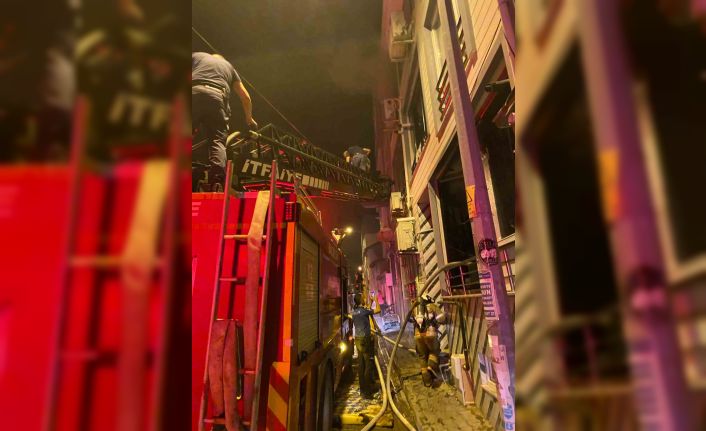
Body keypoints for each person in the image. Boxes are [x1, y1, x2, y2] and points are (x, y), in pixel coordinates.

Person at [192, 52, 257, 191]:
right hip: (217, 97)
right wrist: (249, 119)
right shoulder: (229, 67)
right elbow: (245, 97)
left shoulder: (197, 56)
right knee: (217, 141)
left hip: (194, 92)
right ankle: (217, 182)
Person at [348, 292, 381, 398]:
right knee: (368, 364)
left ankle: (363, 390)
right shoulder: (363, 311)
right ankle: (367, 391)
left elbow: (366, 311)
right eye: (363, 298)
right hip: (365, 340)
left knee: (361, 365)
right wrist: (376, 300)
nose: (364, 299)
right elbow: (378, 310)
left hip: (358, 340)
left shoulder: (355, 312)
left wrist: (370, 302)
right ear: (360, 300)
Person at [411, 294, 446, 387]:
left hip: (418, 335)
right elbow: (442, 319)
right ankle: (431, 367)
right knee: (434, 352)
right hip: (430, 334)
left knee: (422, 356)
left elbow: (411, 320)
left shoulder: (415, 308)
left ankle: (427, 380)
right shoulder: (432, 306)